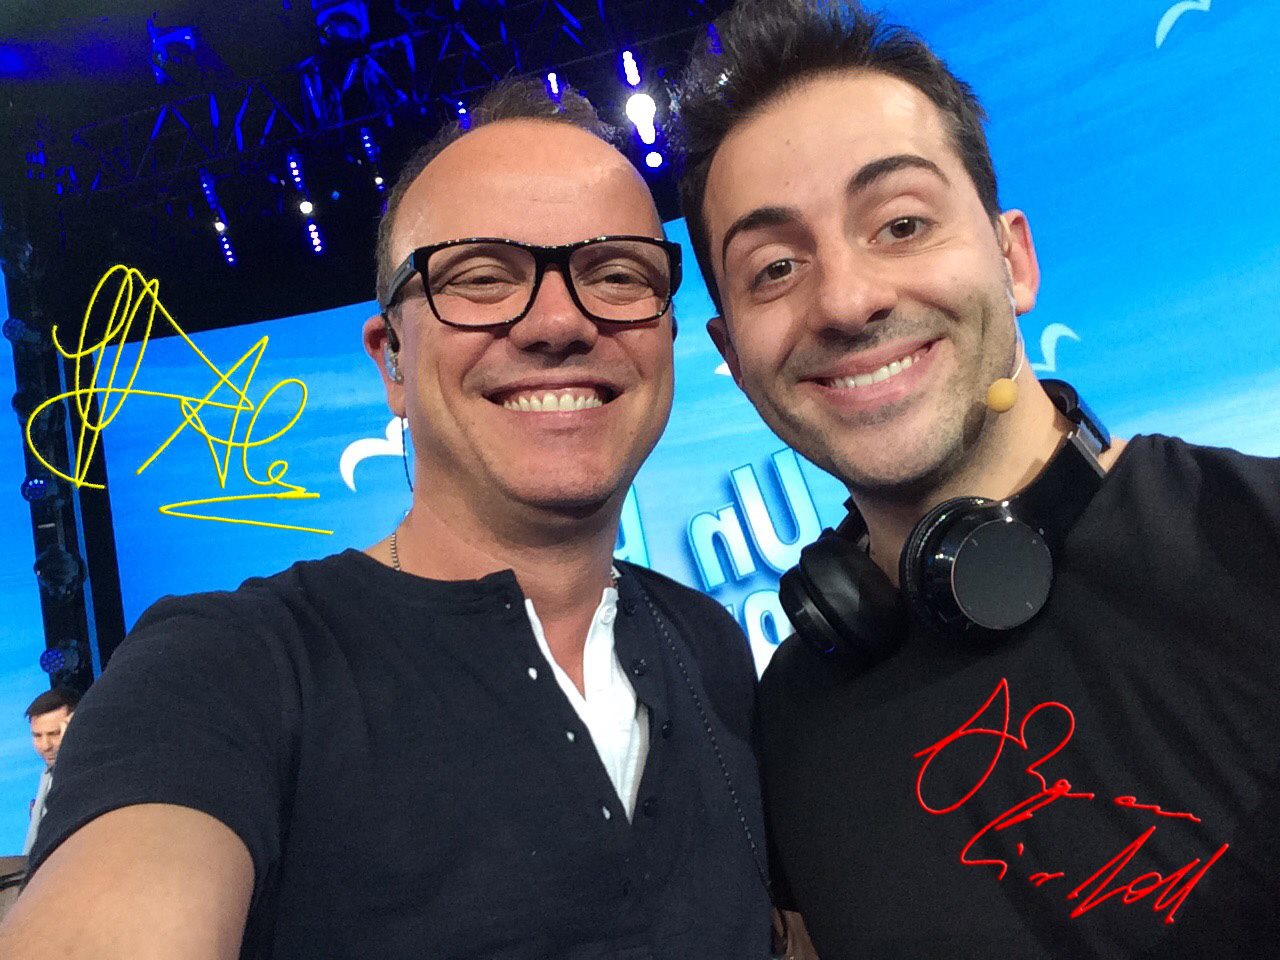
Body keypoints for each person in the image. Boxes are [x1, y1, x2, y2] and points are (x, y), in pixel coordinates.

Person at [0, 78, 771, 959]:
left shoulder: (709, 648)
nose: (559, 321)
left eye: (617, 274)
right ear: (391, 360)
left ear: (669, 332)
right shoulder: (224, 669)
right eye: (482, 278)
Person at [672, 1, 1280, 957]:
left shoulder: (1260, 540)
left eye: (901, 223)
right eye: (776, 268)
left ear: (1014, 259)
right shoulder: (784, 731)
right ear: (735, 359)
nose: (847, 300)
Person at [20, 688, 79, 857]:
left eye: (54, 734)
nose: (45, 745)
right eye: (37, 736)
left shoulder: (86, 776)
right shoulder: (47, 776)